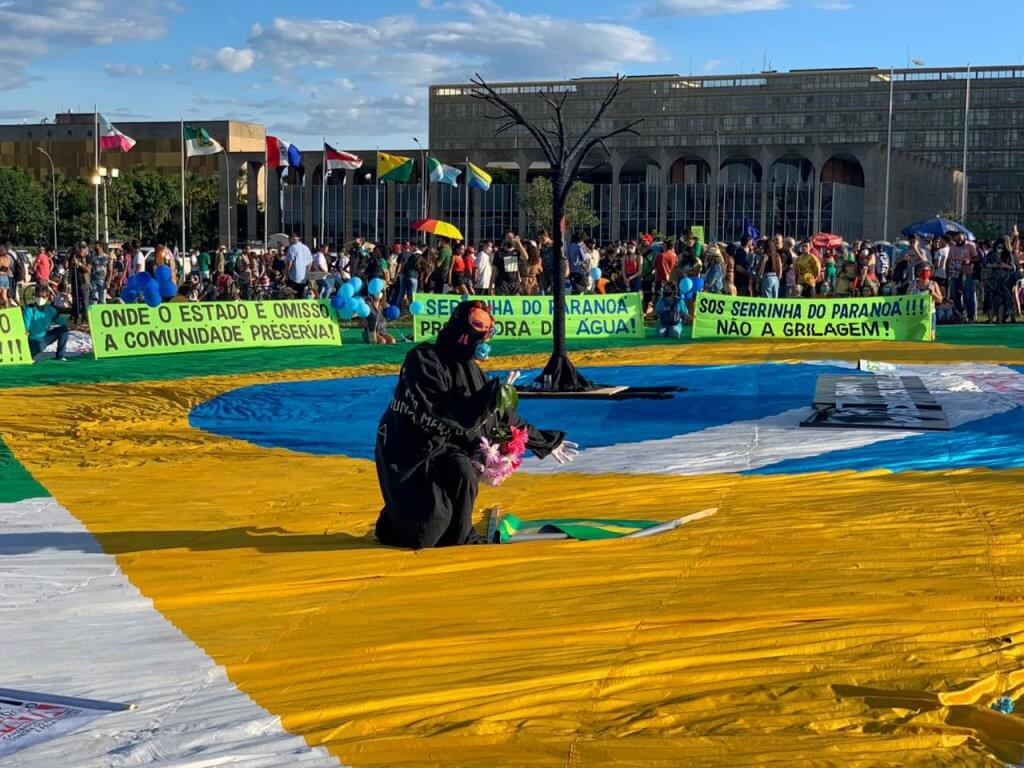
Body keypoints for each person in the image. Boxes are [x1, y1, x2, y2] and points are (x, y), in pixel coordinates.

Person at [373, 300, 576, 549]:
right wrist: (488, 398)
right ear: (460, 323)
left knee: (464, 472)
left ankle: (462, 535)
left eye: (489, 329)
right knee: (424, 535)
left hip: (445, 447)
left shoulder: (472, 372)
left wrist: (544, 441)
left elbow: (500, 418)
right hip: (408, 449)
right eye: (477, 325)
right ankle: (393, 523)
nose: (483, 334)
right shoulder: (422, 359)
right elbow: (443, 409)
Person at [23, 284, 70, 360]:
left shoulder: (50, 309)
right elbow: (25, 328)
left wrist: (70, 325)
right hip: (33, 341)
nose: (40, 299)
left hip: (45, 338)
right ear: (34, 296)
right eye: (38, 296)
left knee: (64, 330)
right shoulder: (29, 310)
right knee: (33, 352)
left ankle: (60, 356)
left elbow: (62, 322)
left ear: (47, 297)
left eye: (43, 297)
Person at [90, 241, 112, 305]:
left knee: (102, 300)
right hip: (94, 281)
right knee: (94, 300)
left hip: (103, 281)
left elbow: (110, 270)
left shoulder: (107, 257)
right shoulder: (92, 257)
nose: (95, 248)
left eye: (96, 246)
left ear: (101, 247)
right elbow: (90, 269)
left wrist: (108, 281)